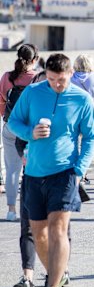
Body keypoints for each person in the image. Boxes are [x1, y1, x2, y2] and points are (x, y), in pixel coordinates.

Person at [8, 54, 94, 287]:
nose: (56, 84)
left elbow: (91, 136)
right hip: (34, 174)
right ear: (45, 74)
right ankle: (57, 274)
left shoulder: (82, 99)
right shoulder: (32, 92)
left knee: (58, 229)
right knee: (39, 234)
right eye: (51, 79)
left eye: (61, 79)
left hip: (65, 172)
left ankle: (53, 285)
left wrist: (80, 169)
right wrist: (30, 133)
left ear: (70, 73)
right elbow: (13, 122)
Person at [0, 44, 39, 222]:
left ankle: (11, 210)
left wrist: (6, 117)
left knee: (12, 170)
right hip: (30, 130)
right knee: (31, 169)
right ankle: (29, 208)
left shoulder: (7, 77)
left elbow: (1, 101)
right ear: (34, 60)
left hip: (9, 127)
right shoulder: (37, 78)